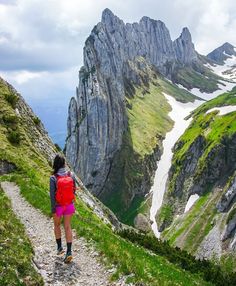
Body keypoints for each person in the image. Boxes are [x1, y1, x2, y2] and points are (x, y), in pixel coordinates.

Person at [50, 154, 77, 263]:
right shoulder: (71, 175)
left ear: (55, 164)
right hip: (69, 205)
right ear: (64, 163)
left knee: (56, 225)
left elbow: (52, 196)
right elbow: (74, 190)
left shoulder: (53, 178)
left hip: (58, 206)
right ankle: (69, 252)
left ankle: (60, 247)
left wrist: (53, 209)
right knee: (67, 227)